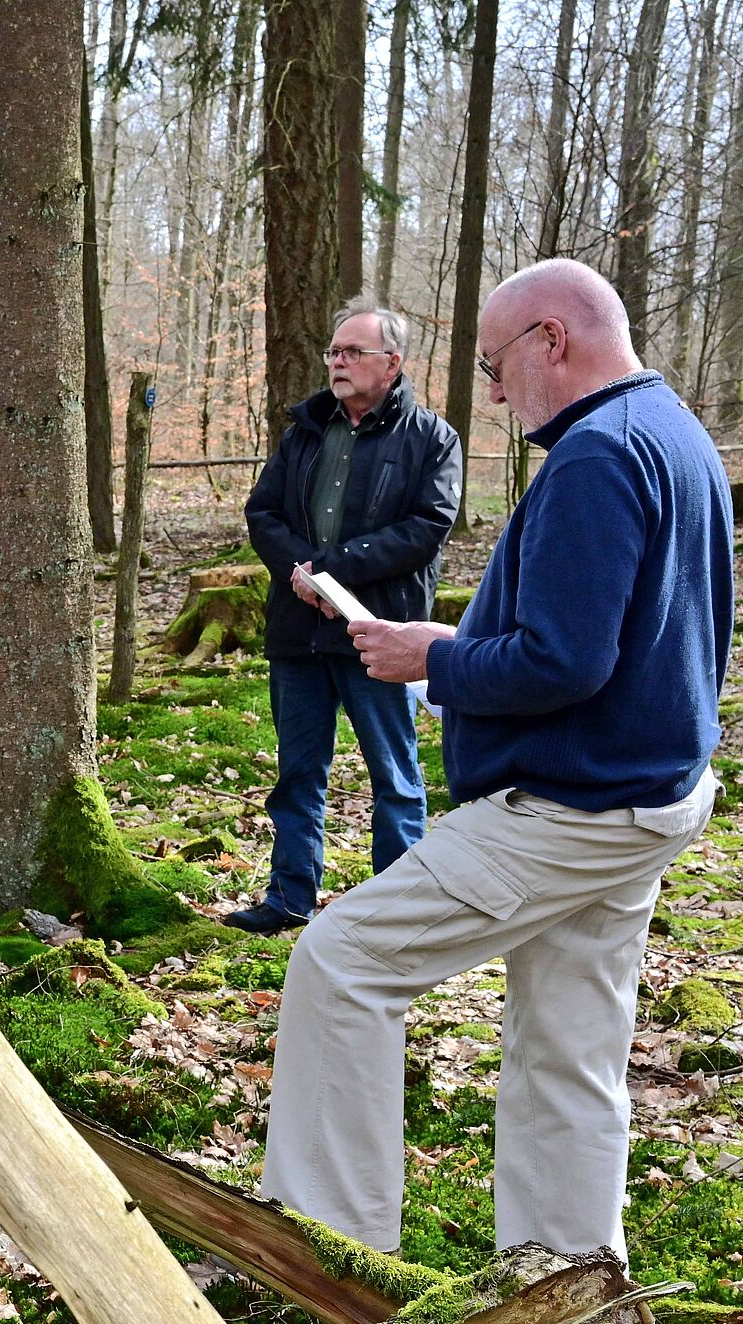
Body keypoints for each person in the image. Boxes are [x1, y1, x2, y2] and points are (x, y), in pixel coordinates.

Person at [258, 259, 732, 1262]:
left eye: (497, 362)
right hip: (641, 794)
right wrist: (455, 644)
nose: (494, 389)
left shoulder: (601, 455)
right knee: (570, 1046)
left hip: (571, 804)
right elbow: (608, 630)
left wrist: (437, 658)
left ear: (552, 339)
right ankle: (562, 1277)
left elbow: (564, 660)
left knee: (342, 962)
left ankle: (326, 1249)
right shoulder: (673, 433)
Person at [228, 297, 460, 935]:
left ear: (393, 361)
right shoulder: (305, 429)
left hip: (379, 635)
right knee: (298, 773)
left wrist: (334, 572)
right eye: (334, 351)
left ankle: (396, 911)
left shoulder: (432, 438)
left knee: (396, 777)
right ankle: (289, 898)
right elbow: (263, 513)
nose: (338, 362)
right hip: (298, 630)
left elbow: (427, 528)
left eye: (353, 352)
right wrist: (302, 572)